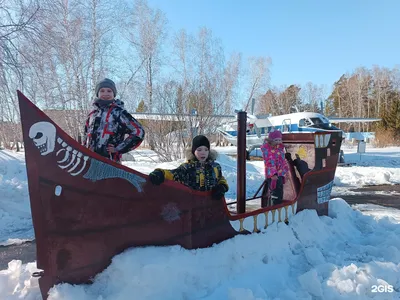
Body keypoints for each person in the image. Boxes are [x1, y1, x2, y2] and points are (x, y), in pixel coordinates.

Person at [83, 78, 145, 163]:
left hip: (111, 163)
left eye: (109, 91)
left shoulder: (119, 113)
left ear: (114, 94)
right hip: (90, 162)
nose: (105, 93)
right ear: (97, 93)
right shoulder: (92, 114)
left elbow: (138, 131)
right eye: (102, 91)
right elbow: (85, 136)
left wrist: (118, 148)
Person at [148, 135, 228, 200]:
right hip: (192, 206)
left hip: (211, 206)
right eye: (199, 150)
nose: (203, 153)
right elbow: (173, 174)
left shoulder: (215, 167)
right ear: (193, 151)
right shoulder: (187, 168)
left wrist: (222, 187)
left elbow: (220, 179)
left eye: (206, 150)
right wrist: (160, 173)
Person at [261, 130, 289, 205]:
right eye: (276, 140)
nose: (278, 141)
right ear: (271, 140)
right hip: (273, 175)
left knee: (279, 192)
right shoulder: (268, 150)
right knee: (275, 193)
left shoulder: (279, 148)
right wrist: (273, 174)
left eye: (279, 140)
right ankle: (274, 208)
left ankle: (276, 206)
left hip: (279, 174)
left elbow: (282, 160)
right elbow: (269, 163)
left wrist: (285, 169)